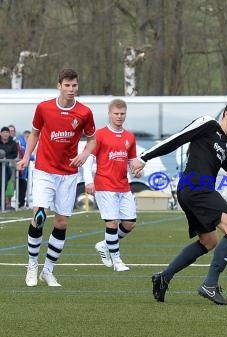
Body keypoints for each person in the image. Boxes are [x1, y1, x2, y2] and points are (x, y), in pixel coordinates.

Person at [131, 99, 227, 305]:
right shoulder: (208, 124)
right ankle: (210, 285)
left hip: (193, 192)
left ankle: (163, 277)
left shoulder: (226, 146)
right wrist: (144, 157)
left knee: (209, 241)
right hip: (196, 188)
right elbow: (176, 139)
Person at [17, 68, 96, 287]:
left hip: (68, 174)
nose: (71, 89)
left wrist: (84, 154)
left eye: (74, 85)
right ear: (59, 85)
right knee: (39, 216)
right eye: (67, 85)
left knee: (61, 223)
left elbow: (92, 140)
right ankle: (32, 266)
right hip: (44, 170)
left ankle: (48, 271)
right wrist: (26, 157)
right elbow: (34, 133)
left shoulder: (84, 113)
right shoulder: (44, 108)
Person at [84, 99, 137, 272]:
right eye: (116, 113)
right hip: (104, 184)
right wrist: (88, 180)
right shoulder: (99, 135)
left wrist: (136, 170)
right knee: (112, 223)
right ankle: (117, 261)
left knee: (129, 223)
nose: (119, 116)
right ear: (109, 114)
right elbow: (88, 158)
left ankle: (104, 245)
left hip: (123, 185)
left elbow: (131, 161)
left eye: (122, 114)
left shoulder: (130, 136)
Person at [0, 126, 19, 211]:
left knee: (6, 185)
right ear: (1, 133)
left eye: (7, 132)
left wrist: (6, 158)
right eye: (3, 132)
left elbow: (15, 154)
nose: (5, 134)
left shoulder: (13, 143)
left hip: (8, 167)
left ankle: (4, 204)